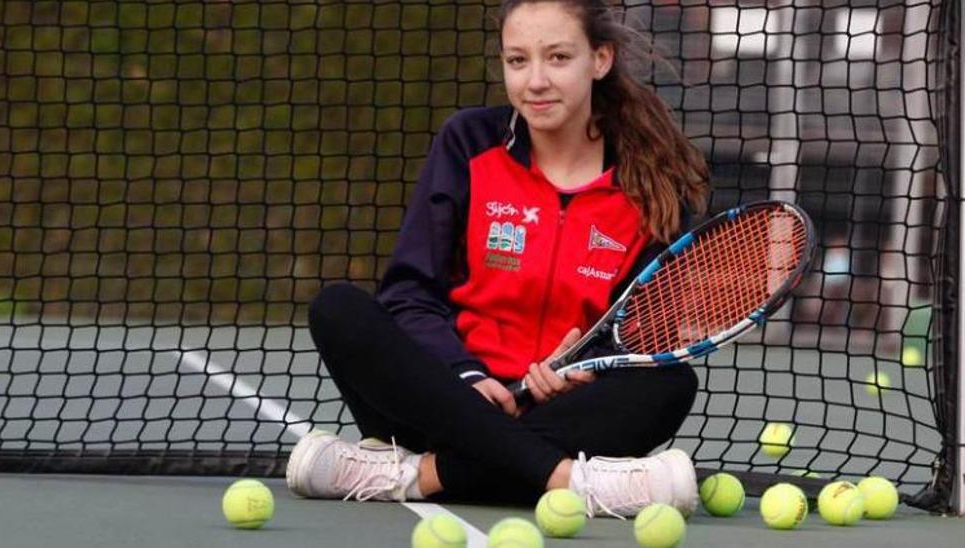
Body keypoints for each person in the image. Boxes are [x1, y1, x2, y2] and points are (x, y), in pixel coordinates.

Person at [285, 0, 711, 518]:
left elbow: (642, 337)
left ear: (599, 60)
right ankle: (565, 480)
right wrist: (464, 376)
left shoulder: (653, 186)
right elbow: (410, 292)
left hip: (564, 414)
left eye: (557, 58)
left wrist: (586, 371)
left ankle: (416, 474)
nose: (535, 81)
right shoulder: (468, 142)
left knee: (669, 384)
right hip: (442, 402)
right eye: (517, 61)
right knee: (337, 309)